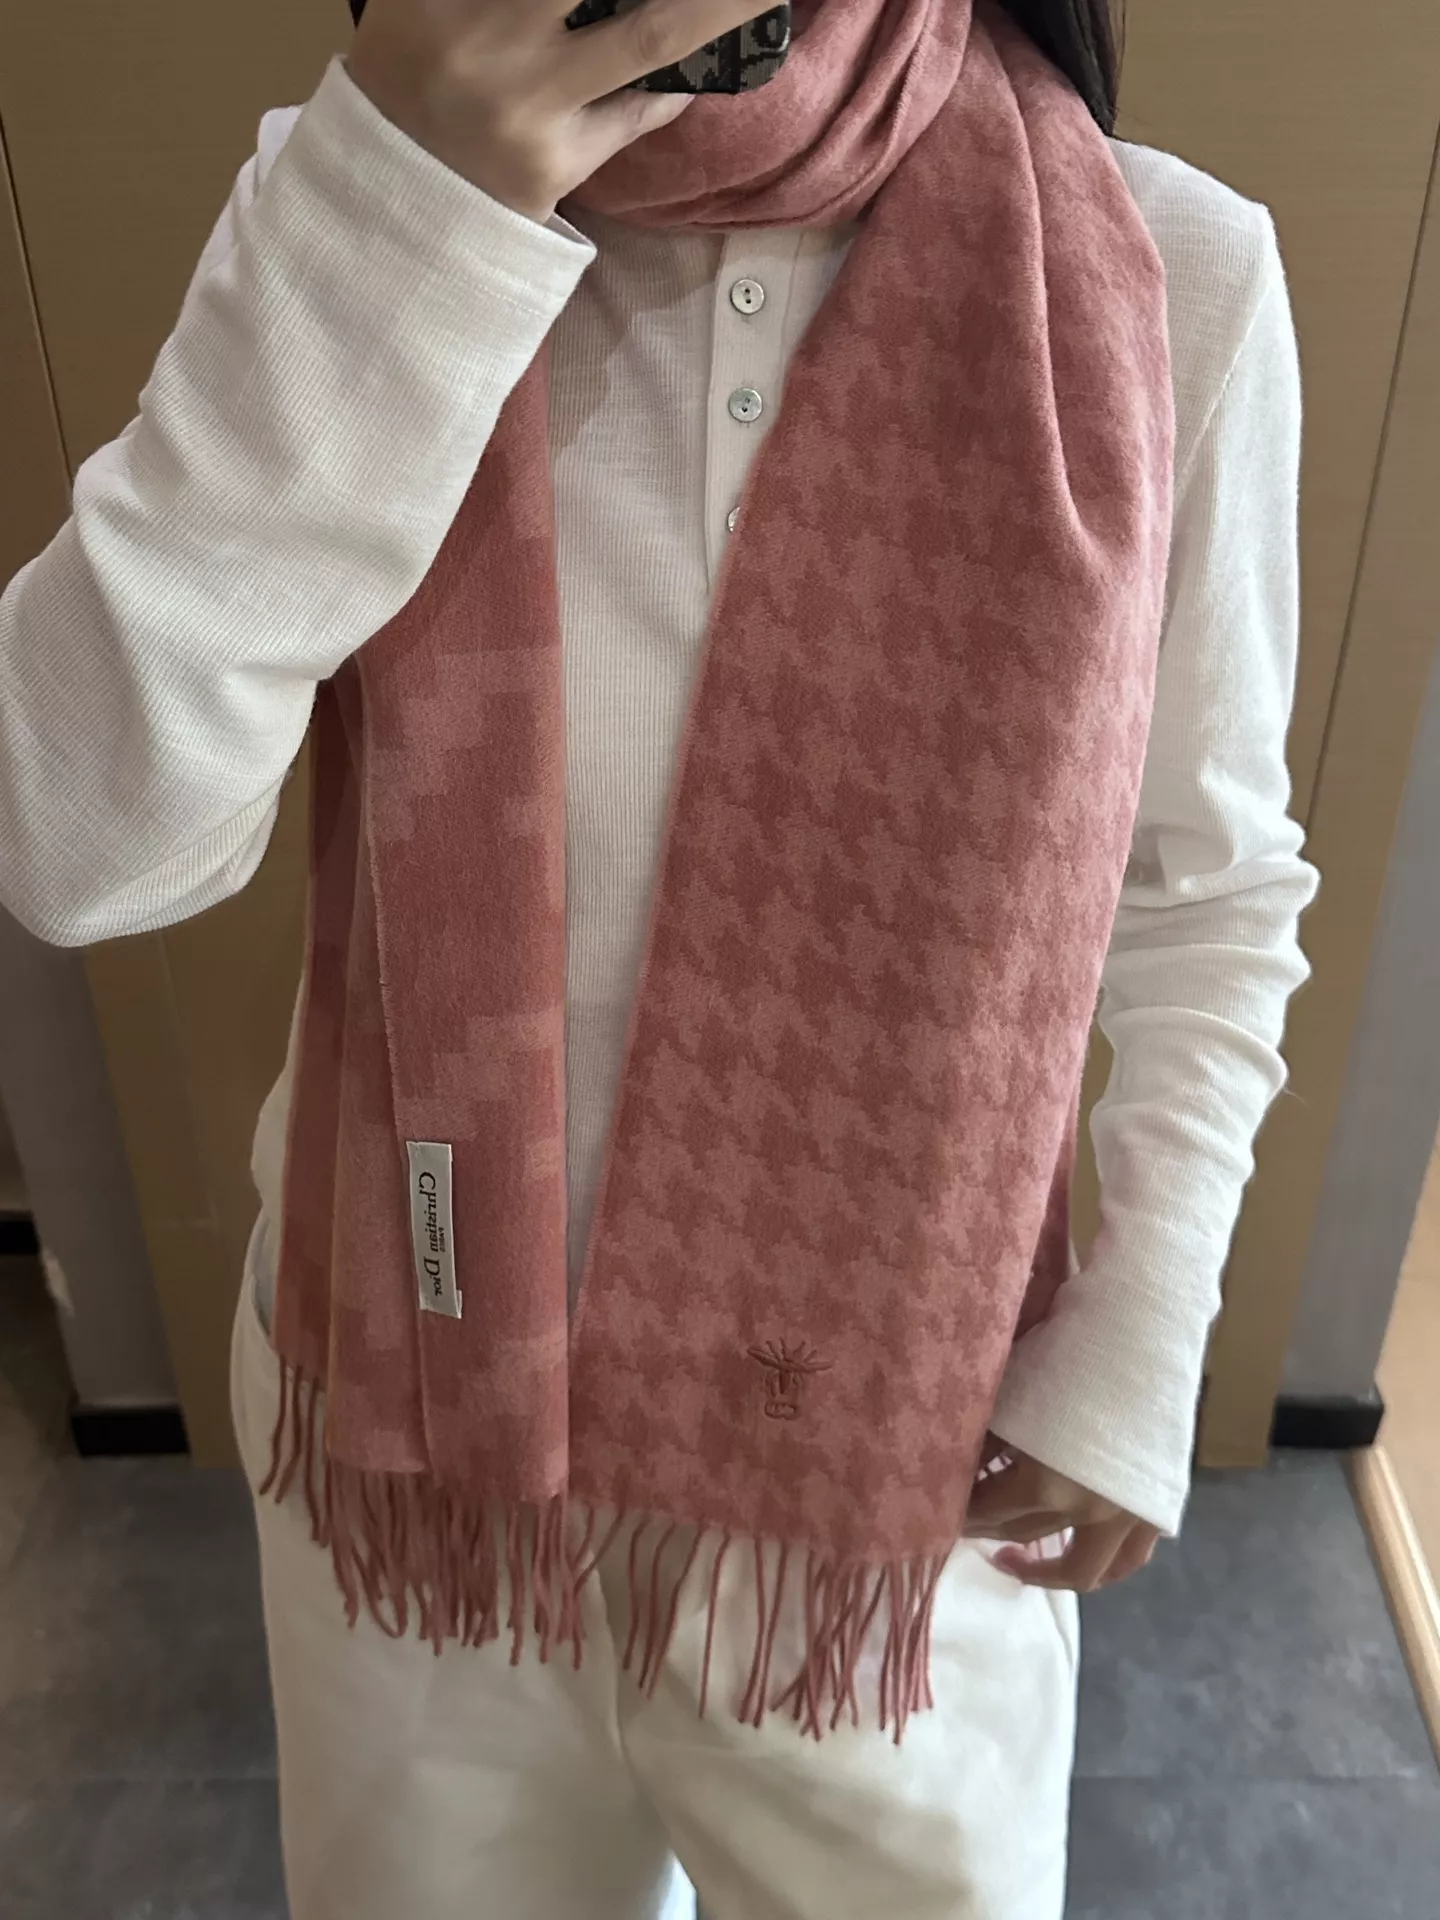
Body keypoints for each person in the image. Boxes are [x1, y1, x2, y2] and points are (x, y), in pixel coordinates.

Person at [0, 1, 1317, 1915]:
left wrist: (1144, 1332)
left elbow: (1210, 880)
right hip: (415, 1441)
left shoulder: (1161, 262)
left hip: (886, 1471)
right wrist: (399, 211)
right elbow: (80, 842)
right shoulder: (355, 195)